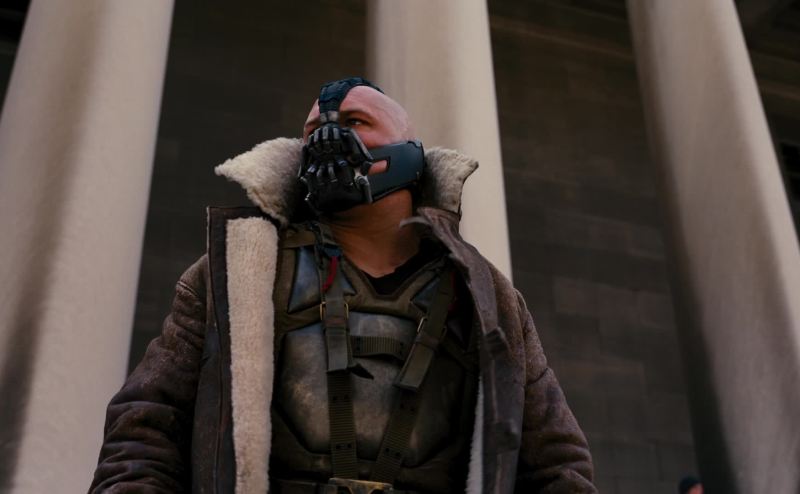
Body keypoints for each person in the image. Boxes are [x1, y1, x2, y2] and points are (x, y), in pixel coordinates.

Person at [90, 77, 596, 493]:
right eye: (313, 129)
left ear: (412, 154)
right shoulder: (233, 274)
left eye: (354, 122)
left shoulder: (489, 299)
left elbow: (556, 466)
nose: (326, 138)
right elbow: (145, 429)